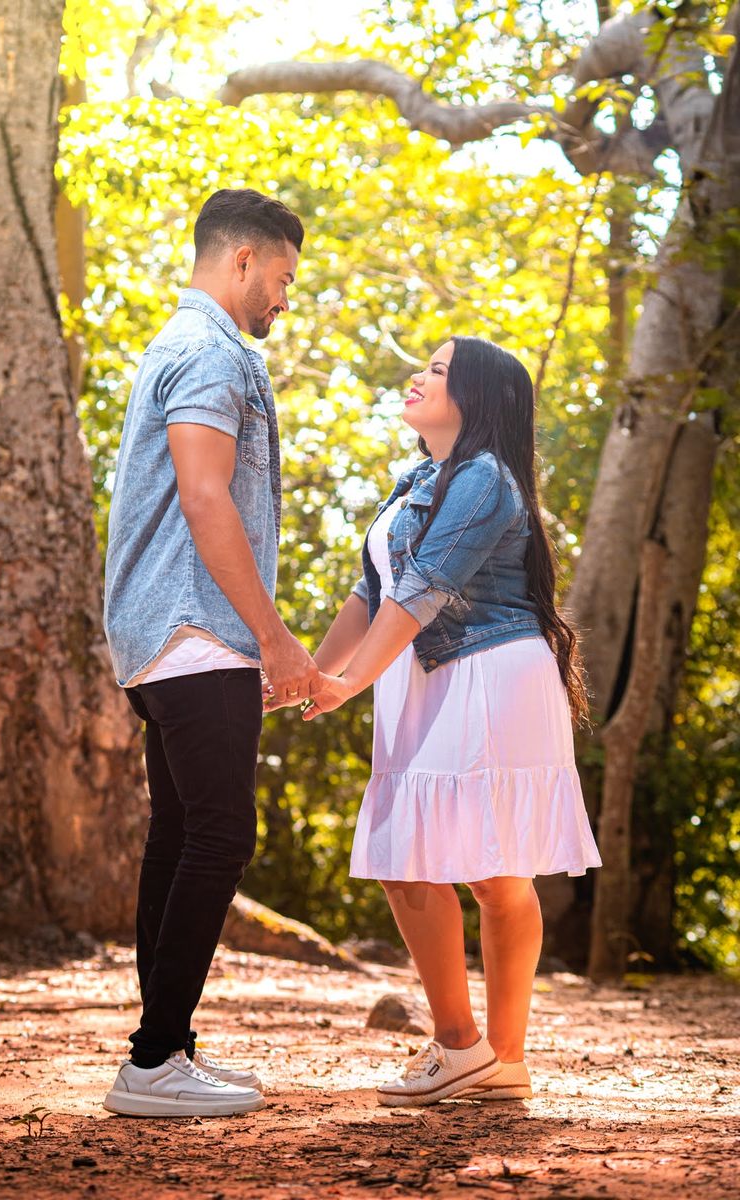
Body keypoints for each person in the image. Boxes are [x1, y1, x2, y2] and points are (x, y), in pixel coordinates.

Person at [267, 335, 601, 1107]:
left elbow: (420, 591)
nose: (418, 376)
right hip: (427, 674)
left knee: (482, 869)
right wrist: (307, 674)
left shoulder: (485, 478)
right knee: (434, 861)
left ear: (476, 398)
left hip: (487, 674)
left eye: (439, 370)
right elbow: (372, 593)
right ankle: (487, 1057)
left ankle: (473, 1051)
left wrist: (348, 683)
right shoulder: (420, 478)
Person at [102, 188, 318, 1117]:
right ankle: (154, 1060)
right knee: (223, 834)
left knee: (182, 834)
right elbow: (204, 497)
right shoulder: (210, 352)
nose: (284, 299)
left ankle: (167, 1050)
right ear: (242, 261)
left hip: (164, 631)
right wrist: (273, 639)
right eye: (283, 278)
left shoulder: (182, 344)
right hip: (196, 628)